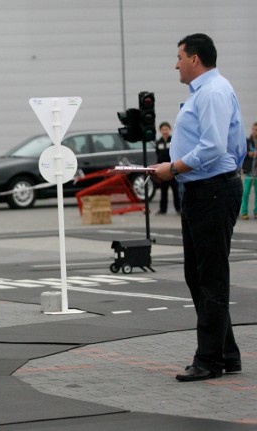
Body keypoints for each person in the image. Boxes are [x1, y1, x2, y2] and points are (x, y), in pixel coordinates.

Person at [151, 33, 245, 382]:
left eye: (179, 57)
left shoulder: (212, 93)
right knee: (199, 276)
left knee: (211, 278)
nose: (175, 64)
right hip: (203, 190)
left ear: (195, 59)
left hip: (213, 191)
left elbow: (214, 147)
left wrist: (172, 168)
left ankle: (209, 360)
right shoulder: (205, 93)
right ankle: (226, 354)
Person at [154, 122, 181, 214]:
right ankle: (163, 209)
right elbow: (157, 154)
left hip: (172, 169)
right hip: (163, 170)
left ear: (170, 130)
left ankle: (178, 208)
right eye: (163, 129)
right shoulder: (158, 142)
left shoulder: (174, 140)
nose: (165, 131)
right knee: (163, 191)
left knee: (176, 190)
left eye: (166, 129)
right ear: (160, 131)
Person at [239, 122, 257, 219]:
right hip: (249, 172)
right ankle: (244, 212)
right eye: (254, 129)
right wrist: (248, 154)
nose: (255, 132)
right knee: (245, 193)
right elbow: (241, 153)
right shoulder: (247, 142)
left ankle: (256, 212)